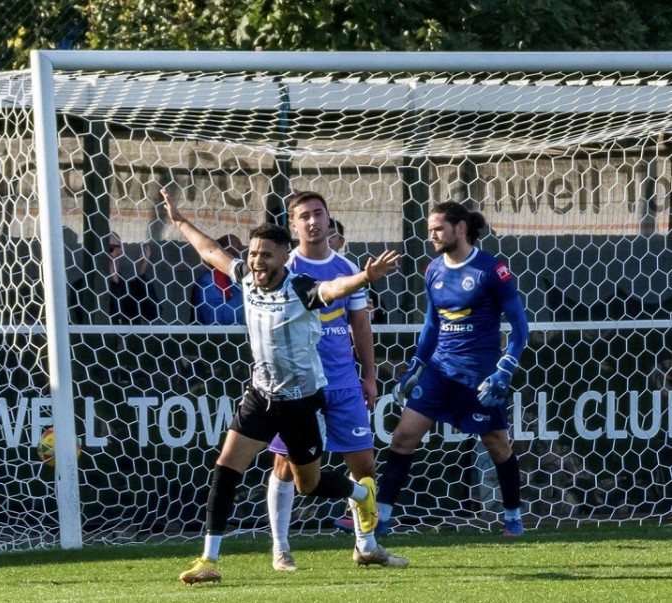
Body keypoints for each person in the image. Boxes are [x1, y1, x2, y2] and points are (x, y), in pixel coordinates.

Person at [161, 188, 401, 585]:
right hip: (260, 396)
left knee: (309, 484)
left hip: (301, 401)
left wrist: (365, 277)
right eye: (253, 254)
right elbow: (209, 251)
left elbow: (334, 289)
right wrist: (180, 221)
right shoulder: (246, 278)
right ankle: (209, 559)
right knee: (225, 469)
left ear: (282, 258)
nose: (256, 261)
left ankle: (362, 496)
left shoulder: (301, 288)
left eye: (265, 255)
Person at [266, 192, 407, 571]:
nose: (312, 222)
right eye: (304, 216)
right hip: (299, 384)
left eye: (318, 214)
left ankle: (365, 545)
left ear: (329, 220)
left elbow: (360, 324)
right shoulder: (285, 269)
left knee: (364, 465)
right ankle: (280, 548)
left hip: (344, 382)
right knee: (286, 466)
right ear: (293, 225)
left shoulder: (347, 267)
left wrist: (370, 375)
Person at [377, 201, 529, 537]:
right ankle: (381, 519)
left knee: (497, 445)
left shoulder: (492, 269)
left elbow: (520, 327)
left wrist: (505, 368)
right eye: (430, 229)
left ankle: (513, 519)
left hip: (478, 376)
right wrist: (417, 364)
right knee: (402, 437)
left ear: (459, 228)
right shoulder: (433, 269)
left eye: (438, 228)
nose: (431, 235)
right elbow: (432, 325)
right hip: (438, 371)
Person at [69, 232, 160, 325]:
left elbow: (152, 315)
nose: (105, 254)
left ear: (120, 252)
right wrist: (113, 284)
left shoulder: (132, 288)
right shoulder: (81, 287)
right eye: (100, 249)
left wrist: (141, 275)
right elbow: (91, 318)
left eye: (110, 248)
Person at [190, 234, 245, 325]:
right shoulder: (207, 281)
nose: (237, 255)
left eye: (239, 249)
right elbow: (215, 319)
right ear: (219, 255)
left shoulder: (237, 279)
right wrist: (247, 295)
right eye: (232, 251)